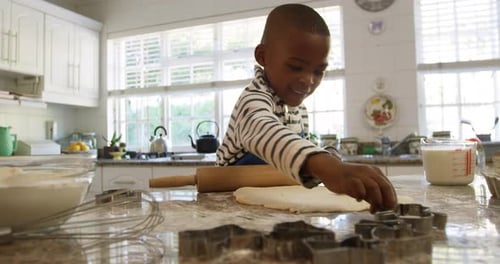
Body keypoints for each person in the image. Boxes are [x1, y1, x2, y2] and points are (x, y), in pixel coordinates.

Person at [216, 3, 397, 213]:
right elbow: (264, 131)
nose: (308, 81)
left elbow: (295, 153)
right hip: (229, 206)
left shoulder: (297, 109)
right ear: (263, 57)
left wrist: (328, 157)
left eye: (319, 71)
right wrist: (327, 166)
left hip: (273, 209)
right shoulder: (254, 100)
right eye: (295, 67)